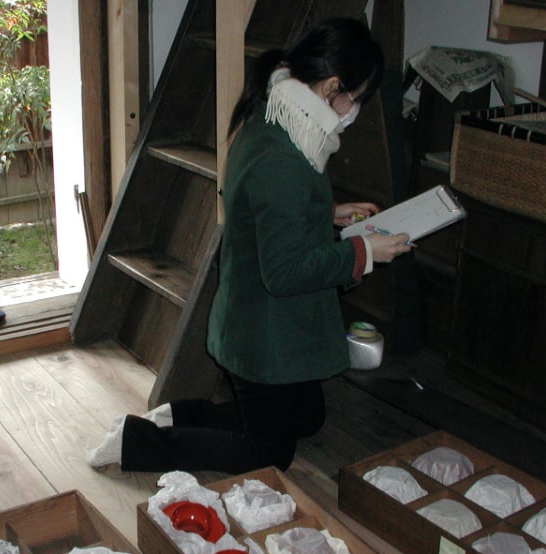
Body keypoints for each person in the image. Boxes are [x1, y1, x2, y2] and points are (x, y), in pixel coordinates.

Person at [88, 18, 411, 475]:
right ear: (332, 86)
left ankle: (181, 415)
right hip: (261, 333)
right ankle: (138, 444)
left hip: (257, 312)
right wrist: (363, 252)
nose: (353, 111)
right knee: (269, 452)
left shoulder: (279, 119)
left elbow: (270, 212)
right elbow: (285, 272)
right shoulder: (284, 155)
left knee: (307, 417)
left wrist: (329, 214)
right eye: (354, 99)